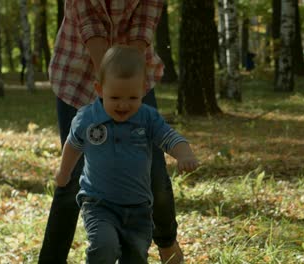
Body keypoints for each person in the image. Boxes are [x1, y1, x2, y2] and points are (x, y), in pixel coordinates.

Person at [39, 1, 185, 263]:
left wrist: (129, 83)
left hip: (131, 74)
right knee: (71, 178)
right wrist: (108, 85)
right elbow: (88, 22)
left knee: (154, 171)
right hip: (78, 67)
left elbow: (145, 19)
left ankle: (167, 245)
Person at [55, 45, 198, 263]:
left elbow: (169, 138)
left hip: (139, 208)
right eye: (115, 97)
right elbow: (73, 145)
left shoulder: (147, 118)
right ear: (100, 89)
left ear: (143, 90)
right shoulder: (87, 119)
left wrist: (184, 154)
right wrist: (64, 172)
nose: (123, 104)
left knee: (136, 256)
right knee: (104, 246)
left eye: (132, 97)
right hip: (98, 204)